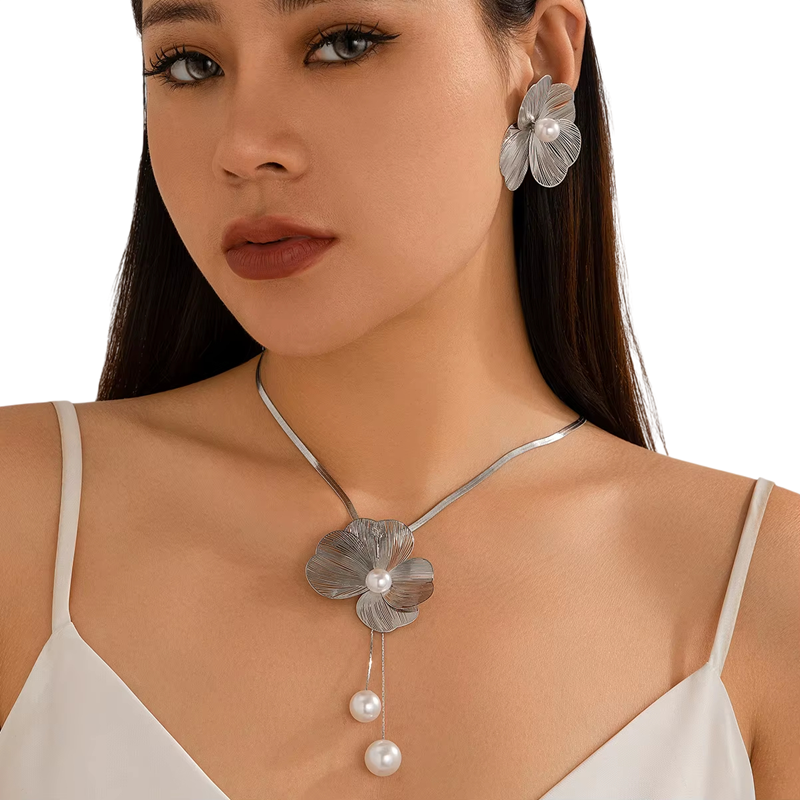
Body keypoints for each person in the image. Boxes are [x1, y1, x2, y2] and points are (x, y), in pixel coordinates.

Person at [0, 0, 797, 797]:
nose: (243, 148)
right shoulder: (24, 515)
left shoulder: (766, 587)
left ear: (544, 58)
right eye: (190, 64)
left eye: (343, 44)